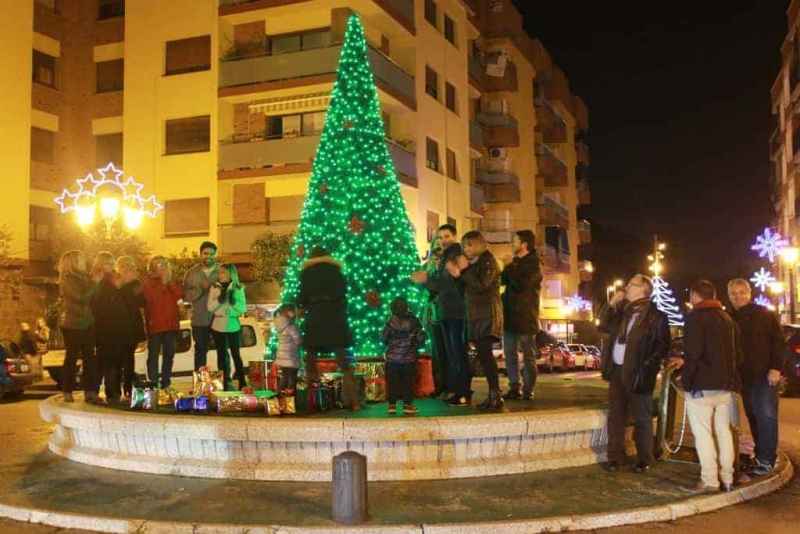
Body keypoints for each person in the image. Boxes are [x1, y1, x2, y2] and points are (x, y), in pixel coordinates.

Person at [598, 274, 670, 474]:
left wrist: (645, 367)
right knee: (616, 416)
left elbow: (662, 346)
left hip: (639, 372)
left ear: (643, 291)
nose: (626, 287)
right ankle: (615, 457)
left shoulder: (656, 316)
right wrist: (610, 304)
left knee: (642, 418)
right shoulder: (621, 311)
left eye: (632, 284)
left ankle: (644, 459)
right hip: (617, 370)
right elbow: (602, 326)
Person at [678, 279, 742, 494]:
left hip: (702, 386)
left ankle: (709, 479)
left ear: (695, 295)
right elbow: (736, 354)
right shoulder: (727, 318)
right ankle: (728, 478)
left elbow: (693, 354)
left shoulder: (696, 318)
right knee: (723, 432)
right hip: (724, 385)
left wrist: (686, 380)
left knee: (704, 434)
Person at [727, 278, 783, 477]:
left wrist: (776, 368)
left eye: (742, 292)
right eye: (734, 293)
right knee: (753, 416)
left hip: (765, 374)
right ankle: (760, 455)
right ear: (729, 295)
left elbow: (778, 342)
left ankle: (767, 458)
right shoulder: (728, 317)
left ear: (749, 293)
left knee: (766, 416)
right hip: (744, 377)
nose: (738, 296)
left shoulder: (764, 314)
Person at [446, 231, 504, 412]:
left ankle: (496, 395)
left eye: (469, 245)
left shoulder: (488, 261)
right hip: (476, 316)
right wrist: (456, 276)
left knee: (486, 356)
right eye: (464, 246)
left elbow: (482, 285)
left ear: (478, 244)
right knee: (483, 356)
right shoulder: (474, 264)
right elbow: (465, 289)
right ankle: (493, 395)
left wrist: (464, 270)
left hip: (487, 315)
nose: (466, 249)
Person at [297, 246, 360, 410]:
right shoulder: (336, 271)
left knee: (311, 359)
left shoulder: (307, 273)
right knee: (344, 362)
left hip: (315, 316)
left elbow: (302, 296)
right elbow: (343, 292)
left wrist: (304, 305)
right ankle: (354, 400)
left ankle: (314, 400)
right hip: (334, 316)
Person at [414, 224, 470, 407]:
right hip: (442, 310)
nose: (442, 241)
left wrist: (427, 280)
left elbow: (449, 283)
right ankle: (449, 388)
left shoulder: (457, 255)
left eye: (446, 236)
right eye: (440, 237)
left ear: (454, 237)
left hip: (453, 310)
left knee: (455, 352)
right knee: (445, 351)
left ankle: (460, 391)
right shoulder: (444, 257)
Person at [500, 229, 543, 401]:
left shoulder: (534, 264)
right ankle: (514, 387)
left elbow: (522, 284)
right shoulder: (516, 262)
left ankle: (528, 390)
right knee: (509, 353)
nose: (512, 244)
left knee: (528, 356)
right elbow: (503, 280)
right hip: (510, 315)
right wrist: (508, 266)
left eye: (515, 241)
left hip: (526, 316)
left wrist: (510, 266)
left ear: (524, 245)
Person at [57, 250, 100, 403]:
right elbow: (82, 298)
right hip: (72, 322)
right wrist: (95, 283)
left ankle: (89, 391)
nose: (84, 261)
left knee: (90, 357)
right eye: (81, 259)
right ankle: (67, 390)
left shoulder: (85, 277)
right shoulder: (68, 279)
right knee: (72, 356)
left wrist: (95, 282)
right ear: (74, 262)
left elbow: (94, 296)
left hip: (86, 322)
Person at [412, 235, 449, 398]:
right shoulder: (426, 266)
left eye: (441, 248)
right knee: (435, 350)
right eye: (436, 247)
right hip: (430, 312)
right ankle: (439, 385)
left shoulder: (446, 267)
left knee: (446, 350)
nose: (437, 251)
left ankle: (449, 385)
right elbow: (420, 288)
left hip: (444, 311)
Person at [143, 255, 184, 389]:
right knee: (153, 355)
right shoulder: (148, 282)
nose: (161, 268)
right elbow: (151, 298)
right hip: (155, 325)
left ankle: (166, 382)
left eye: (163, 265)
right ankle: (153, 382)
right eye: (158, 265)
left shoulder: (172, 281)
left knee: (169, 355)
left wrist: (169, 282)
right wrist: (163, 283)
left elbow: (179, 295)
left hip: (171, 325)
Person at [381, 297, 426, 415]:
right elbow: (420, 338)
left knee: (392, 382)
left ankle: (392, 405)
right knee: (408, 382)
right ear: (406, 307)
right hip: (409, 357)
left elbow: (383, 338)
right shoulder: (414, 321)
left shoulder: (390, 321)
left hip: (392, 358)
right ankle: (407, 405)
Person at [90, 251, 125, 403]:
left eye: (112, 263)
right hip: (103, 326)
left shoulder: (115, 279)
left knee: (114, 360)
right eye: (107, 264)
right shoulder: (99, 281)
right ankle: (103, 390)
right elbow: (97, 301)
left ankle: (113, 390)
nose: (111, 267)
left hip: (116, 326)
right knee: (104, 360)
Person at [207, 263, 248, 391]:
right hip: (218, 325)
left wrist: (234, 301)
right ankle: (224, 383)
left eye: (223, 272)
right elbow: (209, 307)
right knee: (221, 355)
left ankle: (242, 382)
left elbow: (243, 308)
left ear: (230, 273)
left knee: (236, 354)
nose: (220, 275)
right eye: (219, 272)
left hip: (233, 324)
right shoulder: (214, 287)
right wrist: (219, 300)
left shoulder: (238, 288)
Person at [183, 241, 219, 371]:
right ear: (200, 254)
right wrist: (200, 289)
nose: (208, 256)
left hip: (219, 319)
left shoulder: (222, 271)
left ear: (215, 255)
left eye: (211, 254)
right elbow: (185, 297)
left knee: (222, 349)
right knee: (200, 350)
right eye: (205, 253)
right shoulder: (191, 274)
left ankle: (225, 381)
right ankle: (201, 383)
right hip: (200, 319)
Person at [116, 256, 146, 398]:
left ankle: (128, 386)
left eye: (129, 266)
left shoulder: (136, 283)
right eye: (123, 266)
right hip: (117, 325)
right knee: (118, 358)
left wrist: (130, 286)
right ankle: (119, 387)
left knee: (129, 357)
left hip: (132, 325)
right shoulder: (116, 282)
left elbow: (139, 302)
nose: (127, 269)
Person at [274, 303, 302, 393]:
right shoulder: (291, 327)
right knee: (292, 379)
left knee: (285, 377)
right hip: (291, 357)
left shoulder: (280, 326)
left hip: (282, 357)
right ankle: (291, 399)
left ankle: (279, 396)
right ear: (290, 313)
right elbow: (298, 341)